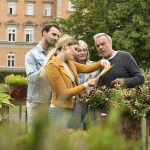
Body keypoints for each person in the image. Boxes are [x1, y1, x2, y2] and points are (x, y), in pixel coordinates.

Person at [44, 34, 110, 130]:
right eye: (75, 49)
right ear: (66, 46)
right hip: (58, 111)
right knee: (59, 143)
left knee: (69, 141)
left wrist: (101, 63)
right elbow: (63, 93)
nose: (76, 53)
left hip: (70, 108)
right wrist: (86, 85)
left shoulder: (68, 62)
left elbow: (86, 68)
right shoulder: (52, 66)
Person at [25, 24, 60, 131]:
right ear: (44, 33)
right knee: (35, 138)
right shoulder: (31, 54)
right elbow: (32, 78)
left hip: (51, 103)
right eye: (54, 34)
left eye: (58, 36)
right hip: (36, 102)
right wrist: (47, 65)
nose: (56, 38)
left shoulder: (53, 55)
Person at [74, 40, 99, 130]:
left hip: (90, 103)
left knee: (89, 128)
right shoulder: (70, 67)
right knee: (74, 130)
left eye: (84, 50)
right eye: (79, 50)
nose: (82, 53)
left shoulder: (95, 66)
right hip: (74, 103)